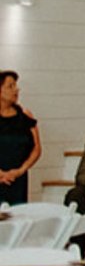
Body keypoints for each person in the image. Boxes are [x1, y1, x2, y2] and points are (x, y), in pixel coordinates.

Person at [0, 72, 40, 206]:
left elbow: (36, 148)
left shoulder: (25, 115)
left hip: (19, 178)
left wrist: (20, 171)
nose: (16, 90)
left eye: (16, 86)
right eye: (10, 86)